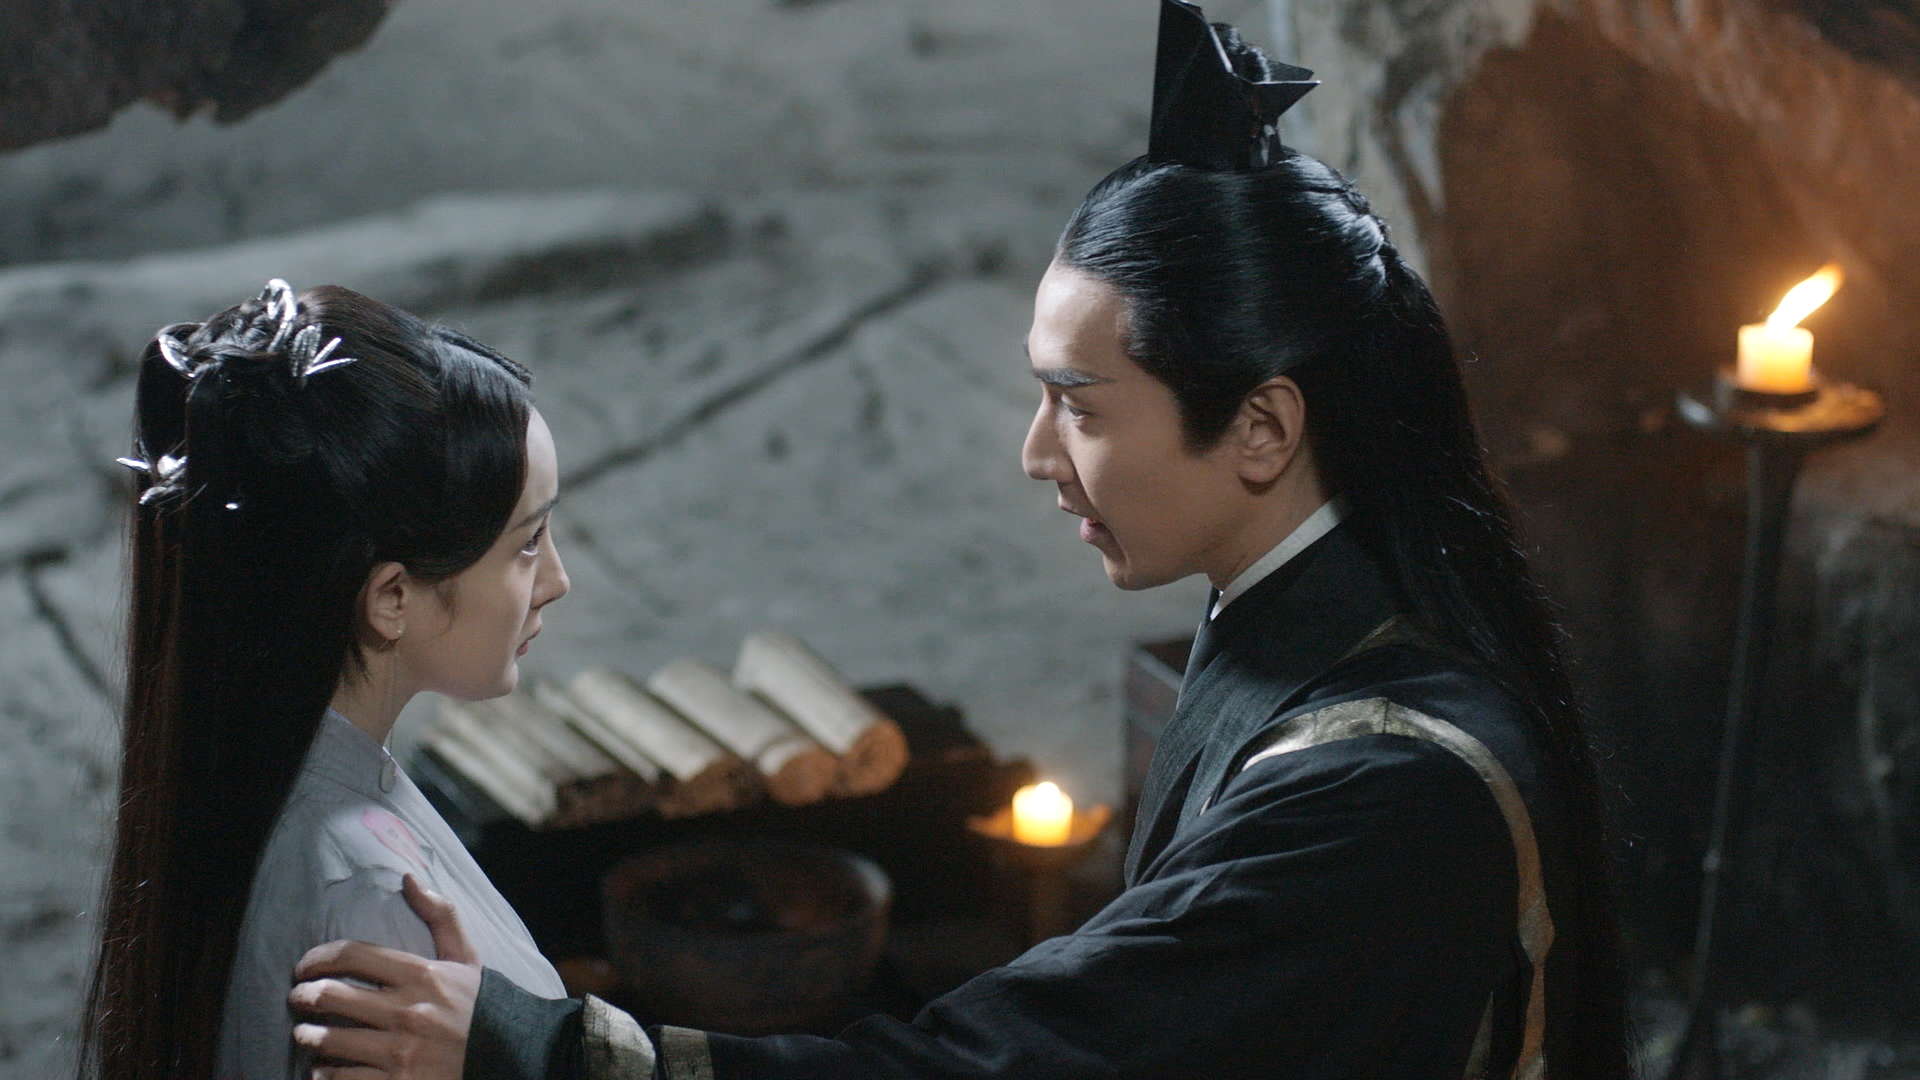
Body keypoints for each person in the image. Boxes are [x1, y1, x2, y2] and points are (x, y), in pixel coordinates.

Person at [286, 2, 1630, 1076]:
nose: (1037, 455)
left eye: (1079, 406)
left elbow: (1016, 1065)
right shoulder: (1298, 619)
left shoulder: (1384, 791)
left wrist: (538, 1051)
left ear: (1263, 428)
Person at [77, 280, 573, 1080]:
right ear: (393, 598)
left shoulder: (254, 771)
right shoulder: (377, 915)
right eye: (527, 542)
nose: (556, 580)